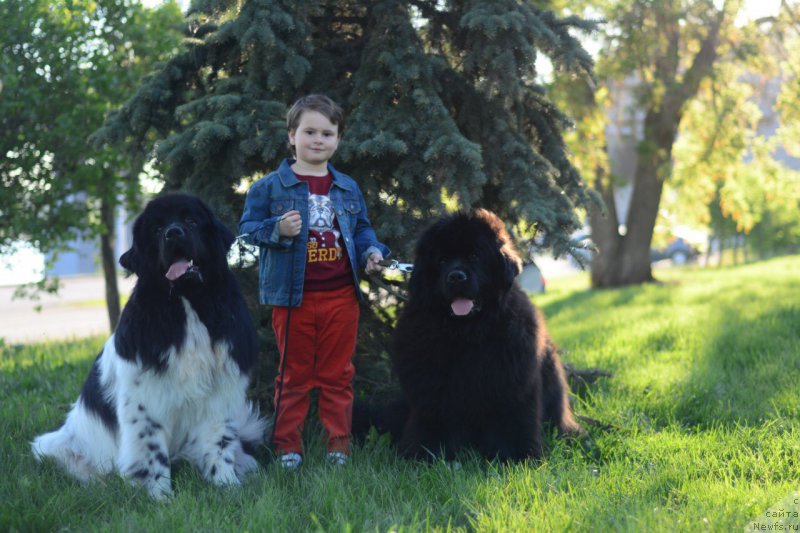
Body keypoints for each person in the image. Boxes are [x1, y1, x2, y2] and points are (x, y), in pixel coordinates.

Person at [239, 94, 389, 469]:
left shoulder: (347, 187)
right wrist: (276, 228)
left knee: (338, 374)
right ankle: (288, 446)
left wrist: (372, 252)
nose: (318, 140)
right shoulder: (269, 188)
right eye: (309, 132)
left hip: (342, 297)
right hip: (293, 300)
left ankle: (338, 445)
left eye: (327, 133)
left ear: (338, 139)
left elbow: (363, 229)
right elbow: (247, 232)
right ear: (292, 136)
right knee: (294, 375)